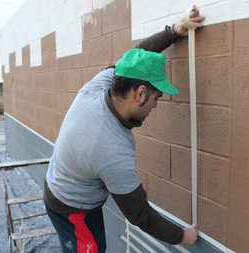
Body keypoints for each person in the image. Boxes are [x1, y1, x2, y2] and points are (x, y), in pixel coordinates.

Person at [44, 6, 205, 253]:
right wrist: (181, 235)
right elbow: (139, 214)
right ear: (140, 94)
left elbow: (135, 57)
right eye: (156, 98)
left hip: (63, 184)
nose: (156, 105)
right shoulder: (111, 150)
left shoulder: (99, 86)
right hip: (71, 209)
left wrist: (173, 32)